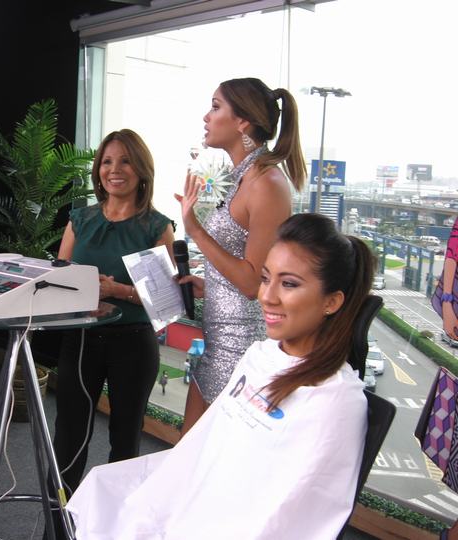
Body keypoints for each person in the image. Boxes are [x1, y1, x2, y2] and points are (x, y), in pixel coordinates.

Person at [66, 213, 375, 540]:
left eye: (289, 284)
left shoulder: (334, 400)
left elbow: (292, 519)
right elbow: (205, 448)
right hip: (200, 500)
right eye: (266, 278)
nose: (267, 296)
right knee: (103, 491)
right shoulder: (259, 356)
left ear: (332, 302)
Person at [49, 129, 175, 538]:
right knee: (69, 438)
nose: (114, 169)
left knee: (125, 442)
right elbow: (59, 279)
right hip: (81, 340)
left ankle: (117, 530)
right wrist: (79, 291)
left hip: (133, 343)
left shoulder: (156, 227)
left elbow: (164, 301)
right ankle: (59, 528)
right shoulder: (80, 219)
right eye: (106, 161)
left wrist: (116, 291)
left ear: (142, 170)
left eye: (124, 161)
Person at [176, 77, 306, 434]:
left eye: (216, 107)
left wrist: (194, 228)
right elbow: (239, 268)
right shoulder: (244, 176)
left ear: (242, 122)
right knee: (188, 455)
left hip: (240, 351)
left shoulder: (267, 183)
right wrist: (211, 286)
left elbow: (252, 283)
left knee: (210, 459)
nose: (206, 116)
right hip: (217, 342)